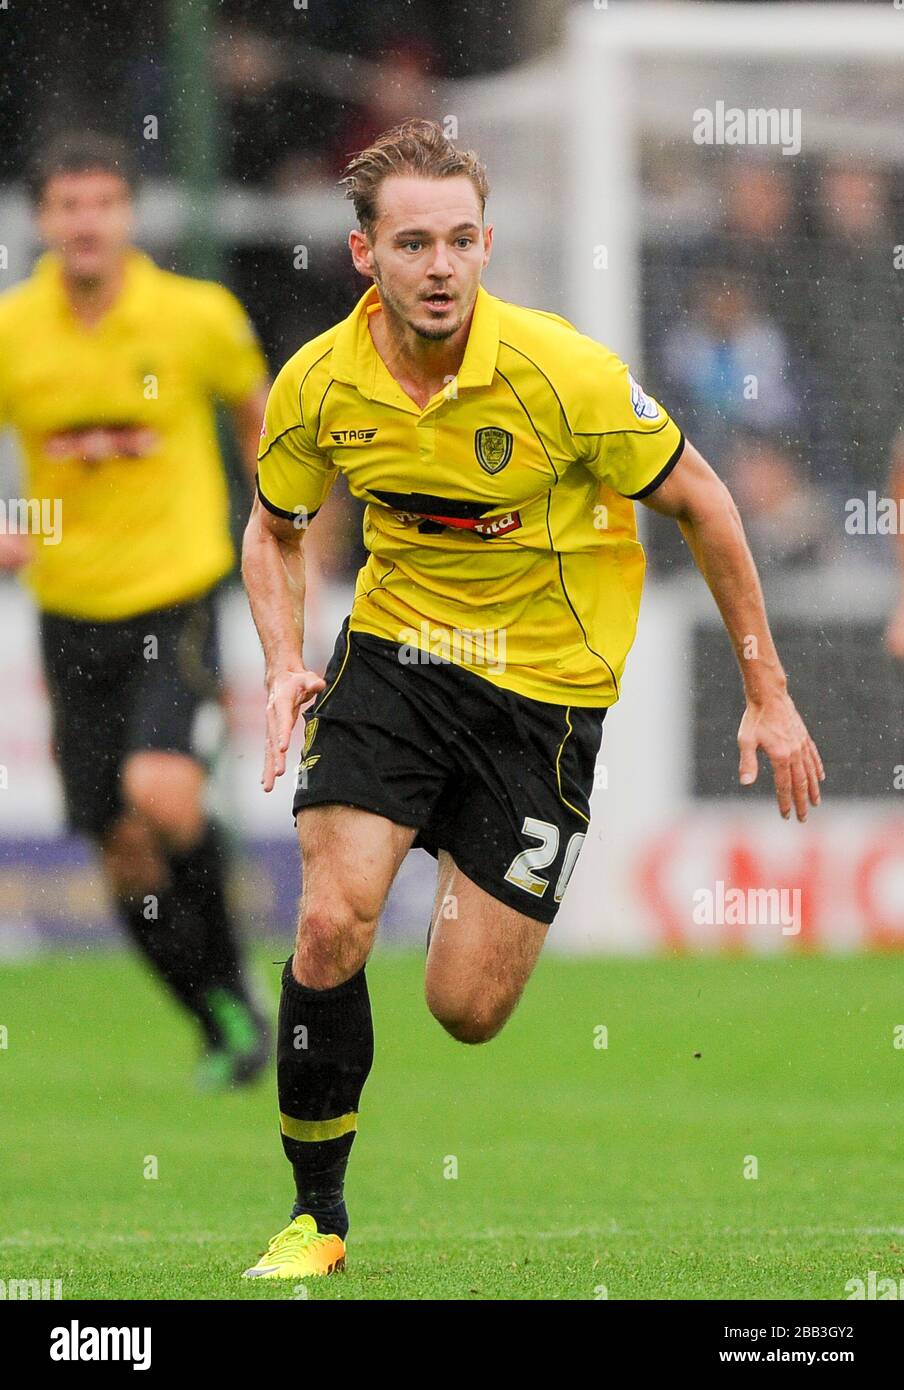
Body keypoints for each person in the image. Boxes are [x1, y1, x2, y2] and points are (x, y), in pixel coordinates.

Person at [240, 118, 824, 1278]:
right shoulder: (318, 383)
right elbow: (273, 527)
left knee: (465, 1005)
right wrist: (280, 658)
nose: (441, 266)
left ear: (489, 243)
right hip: (398, 659)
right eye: (413, 243)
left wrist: (769, 693)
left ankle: (461, 833)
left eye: (461, 240)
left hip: (545, 697)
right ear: (365, 255)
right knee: (328, 919)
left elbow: (708, 503)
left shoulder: (565, 373)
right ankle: (317, 1218)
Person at [0, 132, 272, 1090]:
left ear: (128, 214)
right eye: (67, 205)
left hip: (175, 591)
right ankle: (221, 1019)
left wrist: (281, 524)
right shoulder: (14, 329)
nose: (85, 222)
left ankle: (241, 984)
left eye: (103, 203)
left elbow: (258, 412)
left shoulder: (194, 316)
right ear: (42, 220)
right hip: (69, 612)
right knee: (118, 845)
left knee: (163, 795)